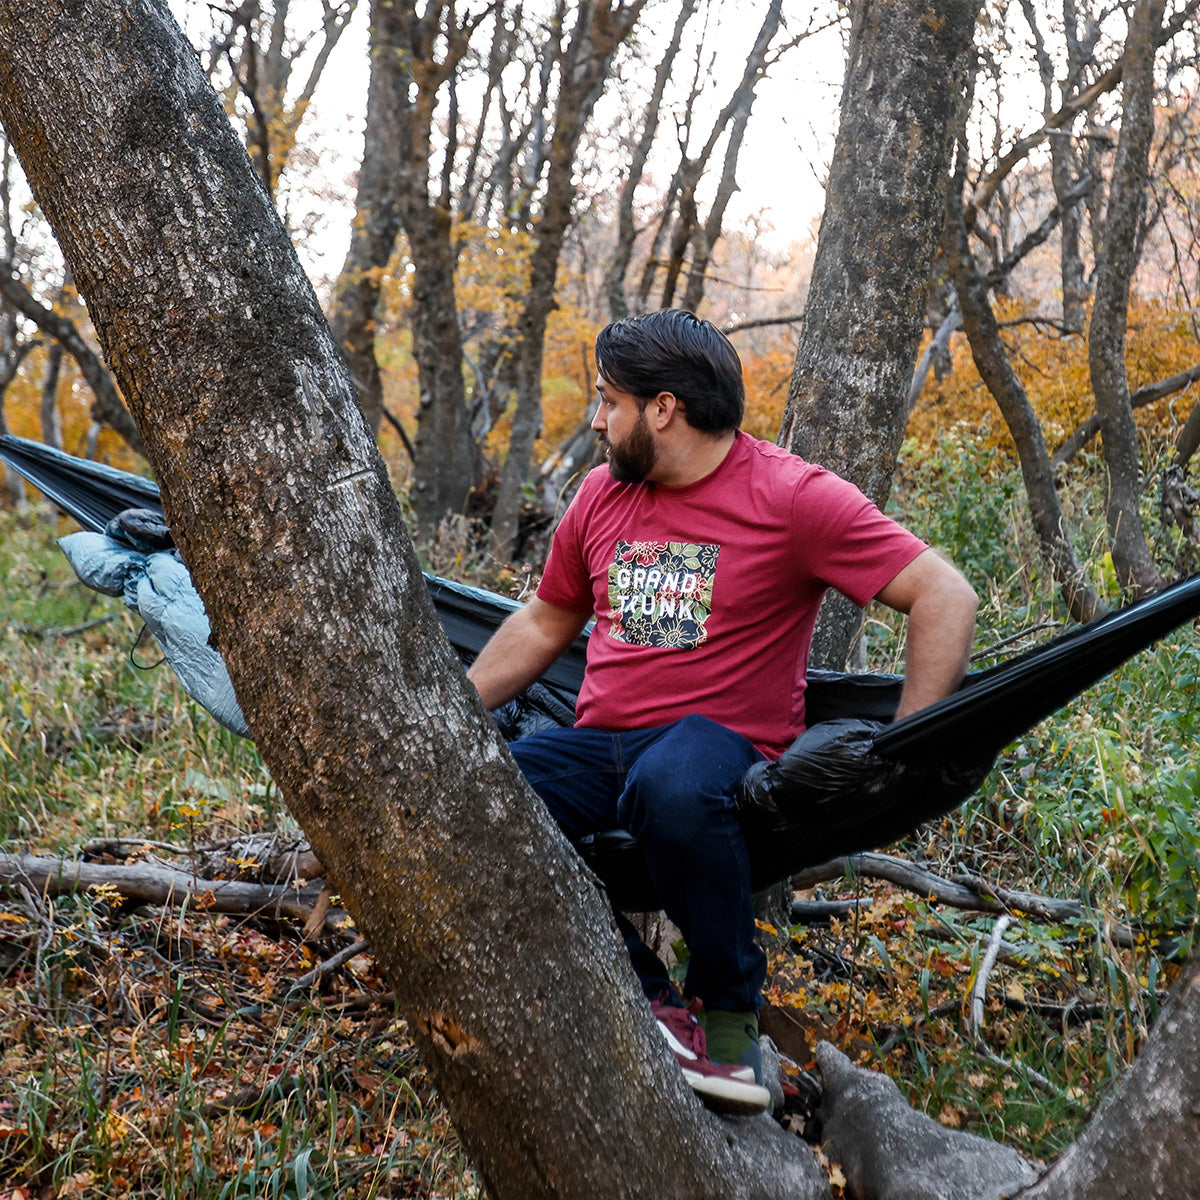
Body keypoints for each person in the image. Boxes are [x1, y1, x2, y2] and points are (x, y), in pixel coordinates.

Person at [468, 309, 977, 1114]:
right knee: (477, 799)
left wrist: (903, 753)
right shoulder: (603, 496)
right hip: (601, 745)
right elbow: (543, 621)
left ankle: (730, 1023)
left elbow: (942, 594)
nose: (598, 421)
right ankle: (649, 1001)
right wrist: (448, 722)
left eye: (609, 402)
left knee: (670, 780)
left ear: (663, 409)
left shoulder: (790, 496)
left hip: (722, 749)